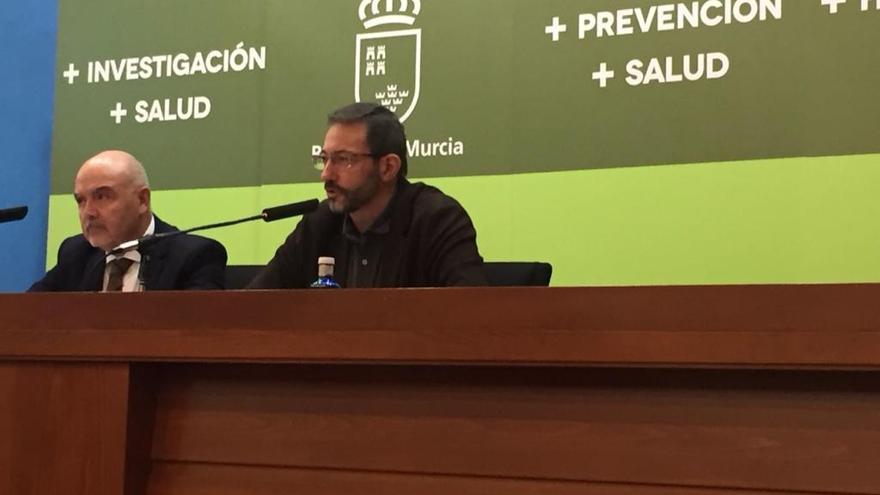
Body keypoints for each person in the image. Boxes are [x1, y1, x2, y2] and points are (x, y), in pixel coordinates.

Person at [248, 102, 486, 288]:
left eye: (344, 160)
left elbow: (471, 312)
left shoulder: (436, 219)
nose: (326, 174)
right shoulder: (319, 223)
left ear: (388, 167)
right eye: (324, 159)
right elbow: (255, 304)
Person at [29, 150, 227, 292]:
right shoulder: (76, 253)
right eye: (81, 200)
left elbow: (196, 335)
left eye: (102, 197)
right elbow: (25, 315)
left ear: (142, 200)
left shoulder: (195, 257)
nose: (88, 212)